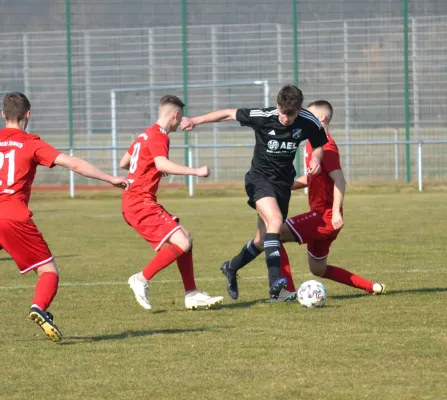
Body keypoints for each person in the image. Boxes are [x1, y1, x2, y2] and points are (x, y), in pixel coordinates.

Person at [0, 92, 129, 342]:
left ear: (3, 115)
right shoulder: (31, 143)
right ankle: (39, 307)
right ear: (28, 114)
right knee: (49, 272)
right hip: (13, 216)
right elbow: (74, 164)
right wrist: (111, 178)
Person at [181, 85, 328, 299]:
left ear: (299, 109)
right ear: (278, 106)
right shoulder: (264, 116)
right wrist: (196, 120)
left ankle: (231, 267)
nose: (286, 118)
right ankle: (275, 284)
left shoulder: (309, 121)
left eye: (291, 114)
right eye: (283, 112)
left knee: (262, 240)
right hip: (259, 179)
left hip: (282, 185)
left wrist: (316, 158)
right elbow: (229, 113)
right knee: (276, 221)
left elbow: (319, 145)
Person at [121, 95, 224, 310]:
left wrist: (151, 166)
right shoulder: (160, 135)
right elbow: (162, 164)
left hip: (135, 201)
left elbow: (124, 162)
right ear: (175, 115)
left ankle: (191, 293)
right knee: (182, 243)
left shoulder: (144, 134)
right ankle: (141, 278)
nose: (180, 123)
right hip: (140, 203)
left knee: (187, 238)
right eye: (180, 117)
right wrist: (196, 171)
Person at [275, 100, 386, 300]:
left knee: (274, 234)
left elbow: (340, 180)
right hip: (323, 218)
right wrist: (284, 186)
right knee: (318, 269)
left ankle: (287, 292)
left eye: (308, 115)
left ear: (321, 118)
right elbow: (310, 178)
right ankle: (372, 287)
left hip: (324, 217)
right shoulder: (313, 143)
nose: (303, 119)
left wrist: (335, 213)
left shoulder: (327, 146)